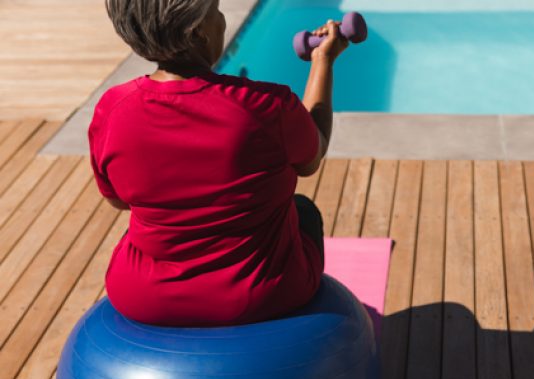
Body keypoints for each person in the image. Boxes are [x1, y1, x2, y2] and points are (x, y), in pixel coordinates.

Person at [90, 0, 348, 325]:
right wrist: (322, 60)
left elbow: (118, 200)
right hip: (264, 293)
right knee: (304, 211)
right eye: (216, 10)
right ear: (197, 31)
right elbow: (313, 157)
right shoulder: (267, 106)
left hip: (143, 295)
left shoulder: (113, 109)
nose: (222, 20)